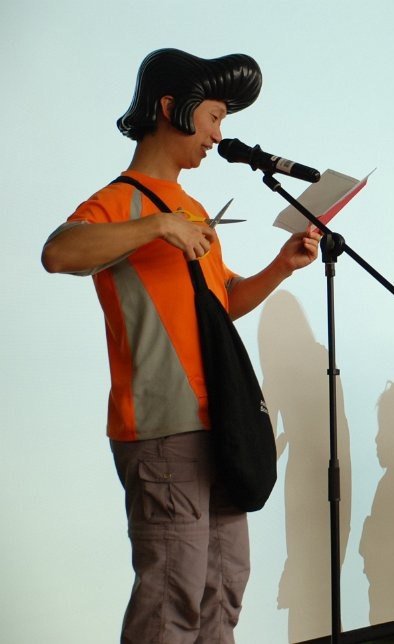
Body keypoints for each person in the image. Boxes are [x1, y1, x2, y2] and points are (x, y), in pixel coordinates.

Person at [40, 48, 320, 643]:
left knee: (223, 589)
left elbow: (223, 303)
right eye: (214, 117)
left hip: (219, 424)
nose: (218, 135)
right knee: (172, 599)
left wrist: (281, 266)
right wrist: (157, 225)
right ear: (172, 108)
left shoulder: (192, 208)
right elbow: (58, 252)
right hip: (163, 431)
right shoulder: (118, 202)